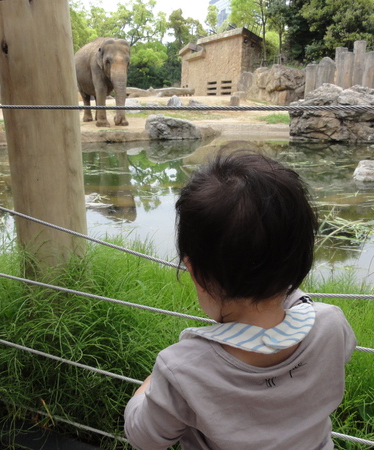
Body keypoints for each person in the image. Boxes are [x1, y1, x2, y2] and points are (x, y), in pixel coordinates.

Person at [124, 150, 356, 450]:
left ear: (195, 272)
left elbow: (145, 438)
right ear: (302, 254)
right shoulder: (331, 322)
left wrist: (147, 389)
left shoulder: (182, 368)